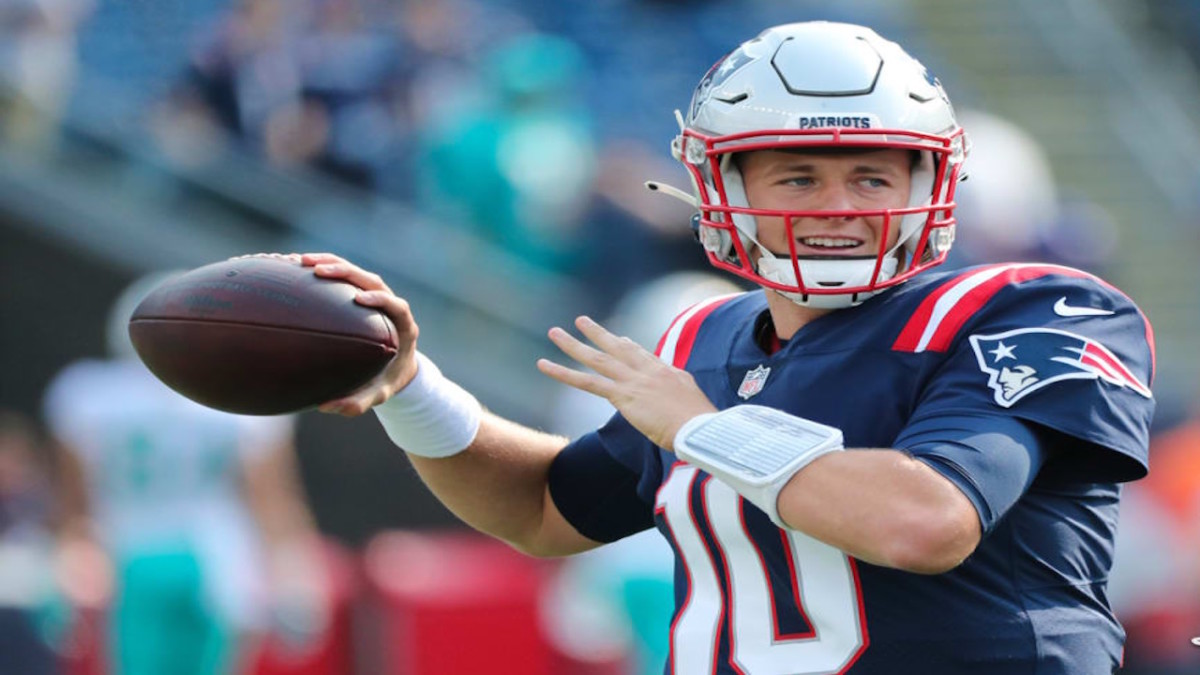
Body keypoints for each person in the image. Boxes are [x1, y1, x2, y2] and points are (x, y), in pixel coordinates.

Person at [303, 21, 1156, 674]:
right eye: (796, 176)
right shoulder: (706, 338)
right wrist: (410, 387)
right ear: (722, 189)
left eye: (871, 174)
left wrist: (705, 429)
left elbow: (923, 521)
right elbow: (543, 510)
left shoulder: (1030, 311)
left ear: (928, 184)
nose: (837, 205)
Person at [41, 271, 329, 675]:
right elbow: (273, 505)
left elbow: (73, 507)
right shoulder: (244, 399)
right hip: (219, 558)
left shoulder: (86, 395)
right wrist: (297, 582)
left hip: (126, 552)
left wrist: (63, 571)